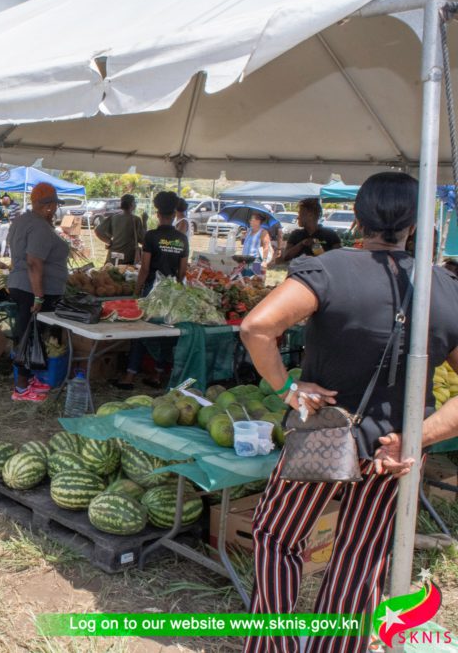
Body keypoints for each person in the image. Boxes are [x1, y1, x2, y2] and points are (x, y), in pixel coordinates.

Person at [239, 172, 458, 653]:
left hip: (324, 431)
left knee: (277, 536)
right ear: (415, 224)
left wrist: (288, 388)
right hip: (396, 450)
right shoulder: (445, 288)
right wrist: (418, 437)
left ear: (357, 218)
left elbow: (256, 328)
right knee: (363, 554)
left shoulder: (329, 270)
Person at [113, 192, 190, 389]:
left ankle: (129, 376)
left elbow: (145, 268)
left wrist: (136, 292)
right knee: (165, 333)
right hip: (171, 292)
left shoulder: (152, 236)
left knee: (141, 331)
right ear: (174, 214)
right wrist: (175, 287)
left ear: (158, 214)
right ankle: (157, 374)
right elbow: (183, 271)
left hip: (151, 291)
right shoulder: (182, 238)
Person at [7, 182, 69, 402]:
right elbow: (34, 262)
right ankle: (21, 388)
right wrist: (38, 295)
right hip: (32, 288)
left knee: (28, 333)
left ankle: (28, 380)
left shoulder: (22, 220)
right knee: (30, 335)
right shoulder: (40, 227)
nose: (55, 209)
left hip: (21, 284)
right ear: (49, 205)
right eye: (54, 205)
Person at [279, 198, 342, 263]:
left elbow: (338, 259)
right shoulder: (296, 234)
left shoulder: (330, 235)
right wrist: (301, 244)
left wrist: (316, 247)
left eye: (300, 214)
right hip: (300, 269)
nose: (298, 217)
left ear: (310, 215)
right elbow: (285, 257)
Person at [94, 194, 145, 265]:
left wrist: (109, 241)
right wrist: (145, 222)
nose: (135, 204)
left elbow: (97, 231)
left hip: (112, 257)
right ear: (131, 204)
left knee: (110, 271)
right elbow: (143, 240)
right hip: (128, 258)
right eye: (134, 202)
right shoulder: (136, 219)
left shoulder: (114, 217)